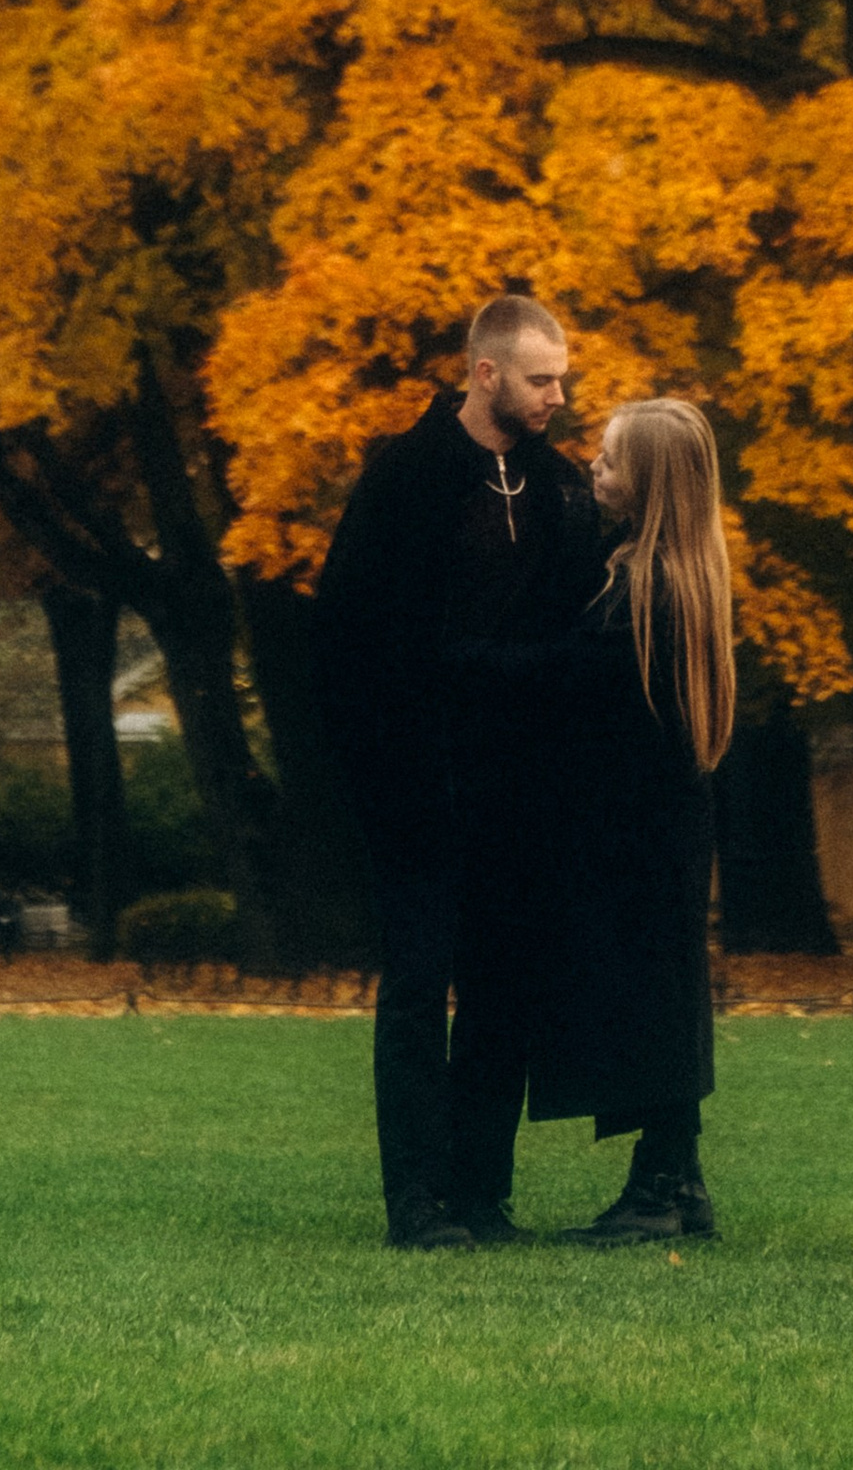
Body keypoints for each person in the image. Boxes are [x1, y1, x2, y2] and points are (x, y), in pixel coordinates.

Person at [313, 291, 602, 1250]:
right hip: (420, 781)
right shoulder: (407, 476)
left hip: (522, 785)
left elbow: (577, 624)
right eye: (540, 379)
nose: (557, 396)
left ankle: (481, 1194)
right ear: (485, 374)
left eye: (562, 378)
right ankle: (417, 1202)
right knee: (415, 990)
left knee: (501, 991)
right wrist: (384, 774)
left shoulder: (557, 485)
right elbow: (351, 636)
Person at [471, 395, 735, 1244]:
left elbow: (563, 678)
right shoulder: (676, 577)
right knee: (662, 991)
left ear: (649, 480)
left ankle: (661, 1188)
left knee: (646, 997)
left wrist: (466, 659)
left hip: (630, 831)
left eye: (613, 458)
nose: (595, 465)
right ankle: (674, 1177)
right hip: (658, 824)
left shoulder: (646, 592)